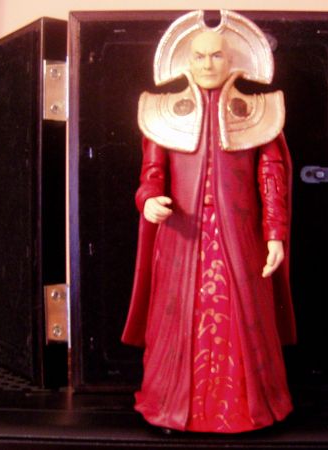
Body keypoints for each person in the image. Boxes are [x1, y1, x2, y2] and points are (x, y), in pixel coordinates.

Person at [122, 10, 296, 433]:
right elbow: (150, 175)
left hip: (241, 241)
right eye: (199, 56)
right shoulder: (163, 114)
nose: (207, 64)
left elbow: (271, 177)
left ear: (232, 59)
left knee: (243, 319)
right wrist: (148, 201)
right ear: (187, 60)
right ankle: (171, 405)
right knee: (176, 319)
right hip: (181, 242)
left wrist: (275, 234)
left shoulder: (259, 113)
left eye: (216, 55)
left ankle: (249, 408)